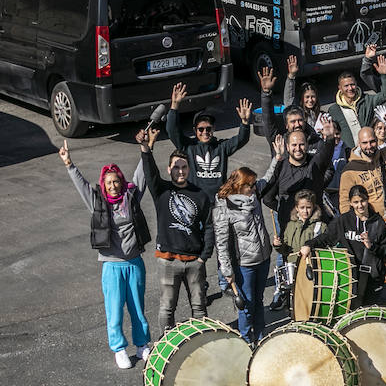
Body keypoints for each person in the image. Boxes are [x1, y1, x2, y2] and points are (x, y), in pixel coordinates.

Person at [61, 141, 152, 369]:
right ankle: (119, 349)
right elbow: (82, 187)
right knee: (114, 310)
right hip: (112, 266)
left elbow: (142, 177)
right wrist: (69, 164)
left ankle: (142, 344)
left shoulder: (131, 197)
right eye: (109, 182)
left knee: (137, 307)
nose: (113, 186)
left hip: (134, 263)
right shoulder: (98, 202)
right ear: (104, 184)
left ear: (122, 181)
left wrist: (146, 150)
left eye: (116, 181)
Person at [138, 127, 214, 330]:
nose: (180, 171)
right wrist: (146, 148)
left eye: (184, 167)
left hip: (194, 262)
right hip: (168, 261)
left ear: (189, 169)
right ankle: (166, 348)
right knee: (167, 309)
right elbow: (149, 172)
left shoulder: (200, 195)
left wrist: (203, 257)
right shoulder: (162, 191)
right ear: (169, 169)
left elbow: (209, 227)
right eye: (176, 167)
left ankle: (202, 346)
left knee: (199, 308)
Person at [303, 184, 386, 307]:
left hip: (372, 279)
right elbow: (327, 238)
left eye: (362, 201)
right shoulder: (344, 221)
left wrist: (372, 246)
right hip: (349, 277)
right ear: (351, 203)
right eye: (356, 202)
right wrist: (309, 245)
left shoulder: (378, 222)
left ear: (367, 200)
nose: (360, 205)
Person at [212, 167, 273, 344]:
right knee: (246, 305)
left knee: (259, 300)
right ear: (240, 185)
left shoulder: (253, 197)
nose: (254, 189)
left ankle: (261, 337)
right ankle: (245, 340)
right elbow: (221, 243)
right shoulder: (224, 207)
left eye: (254, 185)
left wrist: (277, 158)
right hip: (244, 265)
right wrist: (227, 270)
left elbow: (267, 178)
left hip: (263, 259)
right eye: (251, 186)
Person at [165, 82, 252, 196]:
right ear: (195, 131)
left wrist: (245, 123)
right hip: (195, 199)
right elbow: (172, 130)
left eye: (208, 128)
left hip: (218, 201)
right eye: (201, 129)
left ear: (213, 128)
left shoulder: (222, 147)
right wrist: (174, 106)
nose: (205, 132)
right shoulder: (188, 147)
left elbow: (242, 139)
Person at [271, 189, 324, 312]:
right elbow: (285, 250)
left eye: (309, 207)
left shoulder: (320, 226)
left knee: (309, 305)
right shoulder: (290, 226)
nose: (305, 211)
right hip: (293, 271)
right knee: (293, 306)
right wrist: (278, 245)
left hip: (311, 271)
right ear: (297, 208)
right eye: (302, 207)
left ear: (314, 207)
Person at [328, 63, 386, 149]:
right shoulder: (334, 110)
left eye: (352, 84)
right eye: (346, 86)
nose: (350, 88)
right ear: (340, 88)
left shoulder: (367, 100)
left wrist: (384, 75)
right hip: (350, 153)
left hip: (369, 149)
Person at [339, 126, 386, 217]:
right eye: (365, 143)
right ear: (359, 144)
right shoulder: (350, 171)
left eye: (372, 141)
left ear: (377, 140)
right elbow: (345, 203)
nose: (369, 146)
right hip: (370, 222)